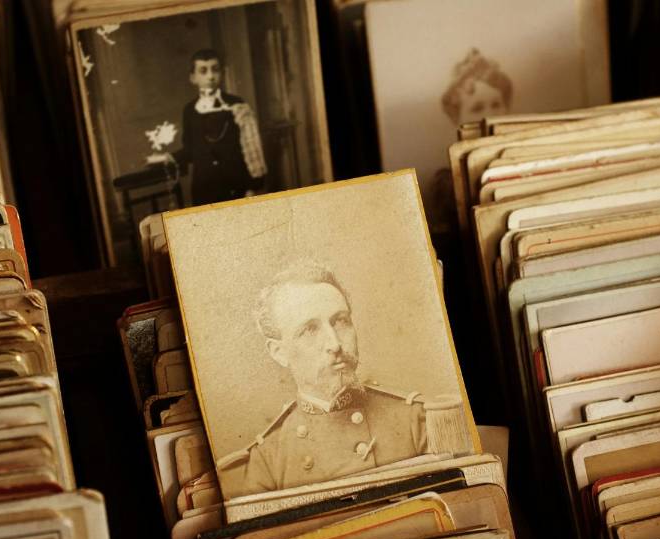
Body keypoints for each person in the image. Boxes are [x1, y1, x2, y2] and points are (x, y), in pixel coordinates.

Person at [216, 260, 464, 496]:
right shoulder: (265, 462)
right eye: (310, 330)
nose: (334, 344)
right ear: (279, 352)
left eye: (340, 321)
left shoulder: (419, 421)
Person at [148, 48, 267, 205]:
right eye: (203, 71)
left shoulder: (237, 105)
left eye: (215, 70)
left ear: (222, 73)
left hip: (237, 186)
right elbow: (191, 149)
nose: (210, 76)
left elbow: (252, 148)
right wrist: (167, 157)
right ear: (193, 77)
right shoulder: (190, 110)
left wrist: (252, 186)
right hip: (204, 188)